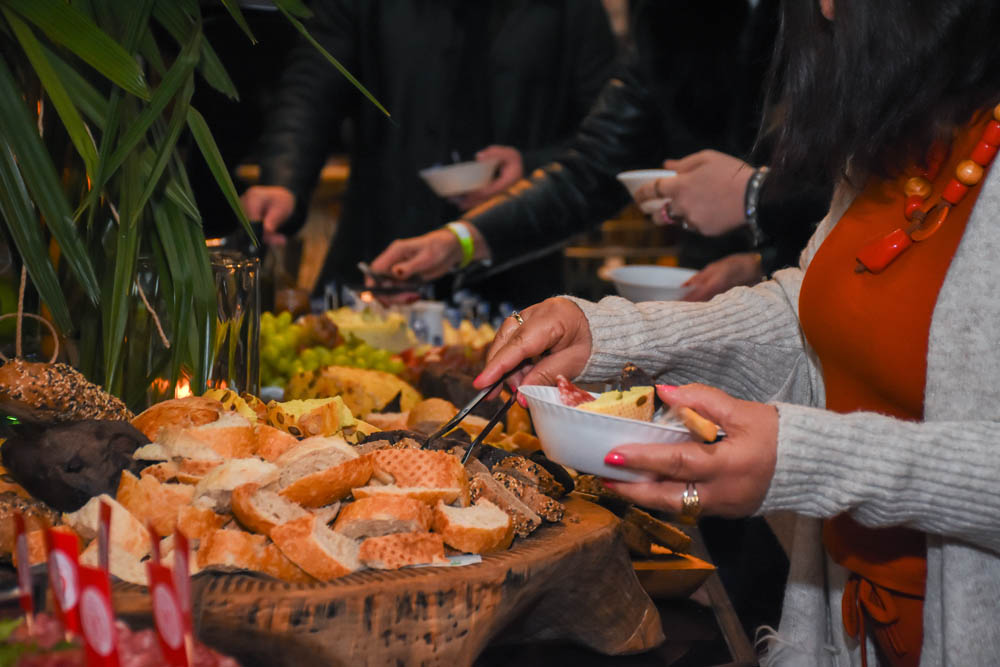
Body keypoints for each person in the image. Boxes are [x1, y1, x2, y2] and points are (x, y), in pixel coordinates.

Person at [474, 0, 1000, 664]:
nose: (824, 7)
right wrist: (609, 336)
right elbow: (810, 315)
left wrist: (807, 461)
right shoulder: (900, 132)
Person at [371, 0, 831, 303]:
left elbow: (867, 189)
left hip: (830, 312)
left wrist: (758, 202)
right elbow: (592, 168)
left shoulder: (845, 18)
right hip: (711, 295)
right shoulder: (672, 16)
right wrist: (460, 240)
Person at [240, 0, 617, 306]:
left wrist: (530, 168)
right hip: (381, 249)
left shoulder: (569, 8)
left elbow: (608, 136)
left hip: (517, 268)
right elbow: (311, 88)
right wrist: (284, 180)